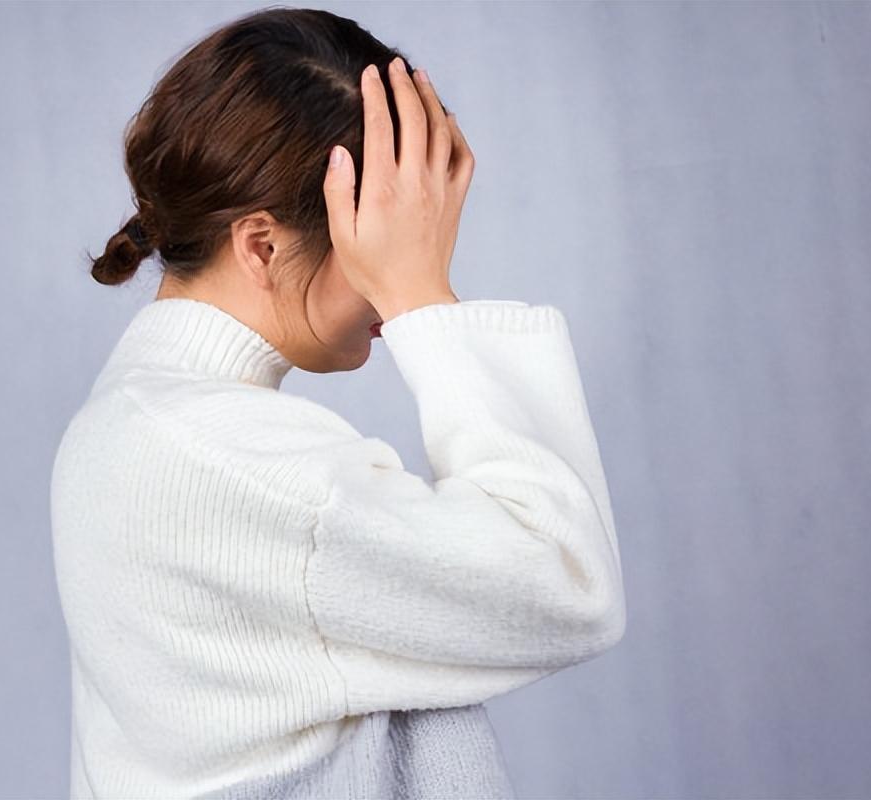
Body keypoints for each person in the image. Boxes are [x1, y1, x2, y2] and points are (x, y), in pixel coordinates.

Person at [50, 7, 626, 799]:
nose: (400, 275)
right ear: (262, 245)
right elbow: (567, 584)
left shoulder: (133, 424)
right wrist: (422, 297)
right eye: (379, 242)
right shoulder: (228, 458)